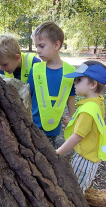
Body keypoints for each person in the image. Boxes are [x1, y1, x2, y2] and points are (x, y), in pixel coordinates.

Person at [56, 60, 106, 192]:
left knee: (75, 190)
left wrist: (58, 152)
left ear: (93, 84)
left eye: (79, 80)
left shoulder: (88, 109)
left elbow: (77, 136)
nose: (74, 82)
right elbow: (89, 127)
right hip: (90, 156)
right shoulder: (97, 102)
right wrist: (71, 122)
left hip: (84, 159)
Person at [27, 21, 76, 149]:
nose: (37, 51)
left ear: (56, 45)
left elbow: (71, 96)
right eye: (36, 46)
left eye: (41, 46)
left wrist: (72, 117)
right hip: (34, 126)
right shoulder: (35, 69)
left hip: (54, 128)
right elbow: (28, 95)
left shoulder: (70, 72)